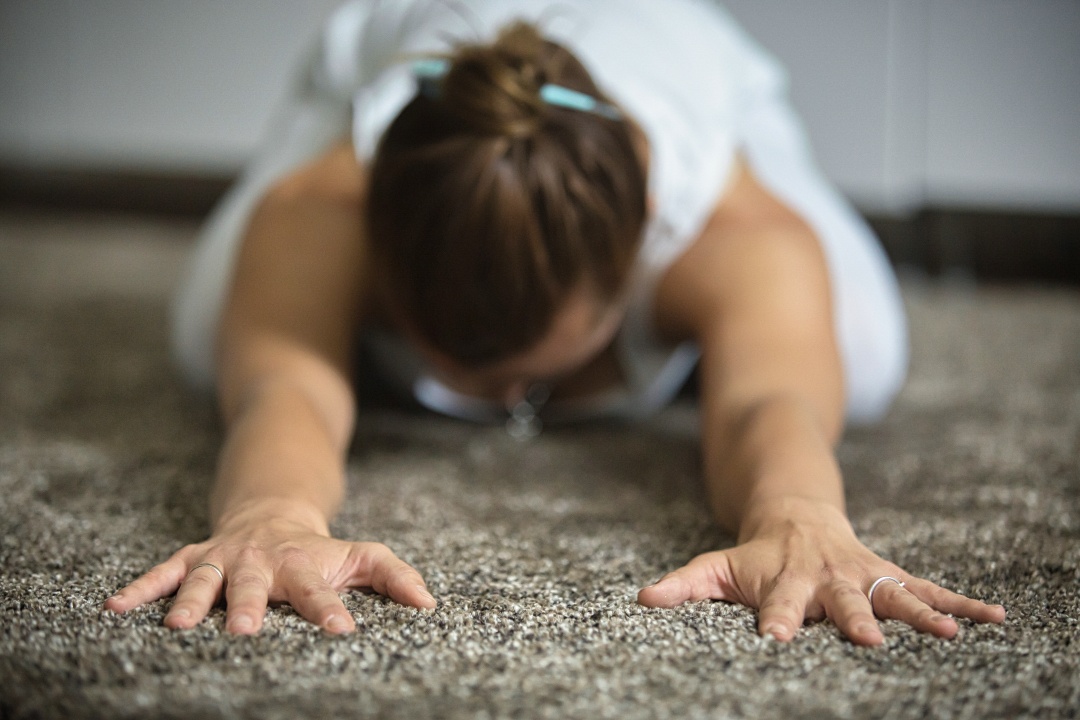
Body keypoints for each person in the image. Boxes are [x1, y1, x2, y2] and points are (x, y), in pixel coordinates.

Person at [104, 0, 1006, 644]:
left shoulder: (732, 227)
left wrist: (800, 516)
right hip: (378, 64)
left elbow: (765, 402)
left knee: (861, 354)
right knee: (207, 336)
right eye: (459, 362)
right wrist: (271, 511)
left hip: (697, 65)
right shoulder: (321, 206)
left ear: (639, 259)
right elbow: (283, 382)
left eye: (531, 368)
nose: (503, 400)